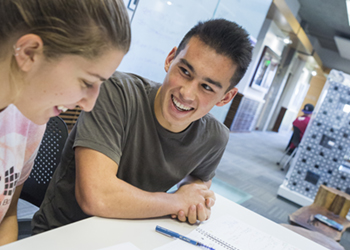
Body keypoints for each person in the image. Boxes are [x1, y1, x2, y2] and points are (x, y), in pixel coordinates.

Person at [32, 19, 253, 234]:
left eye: (206, 87)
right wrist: (176, 201)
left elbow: (199, 182)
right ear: (170, 59)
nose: (186, 93)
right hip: (63, 234)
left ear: (225, 98)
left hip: (135, 235)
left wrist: (190, 192)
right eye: (185, 72)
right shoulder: (115, 93)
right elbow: (96, 196)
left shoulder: (215, 137)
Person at [0, 0, 131, 249]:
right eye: (87, 82)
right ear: (29, 52)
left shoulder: (28, 115)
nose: (89, 104)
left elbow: (4, 216)